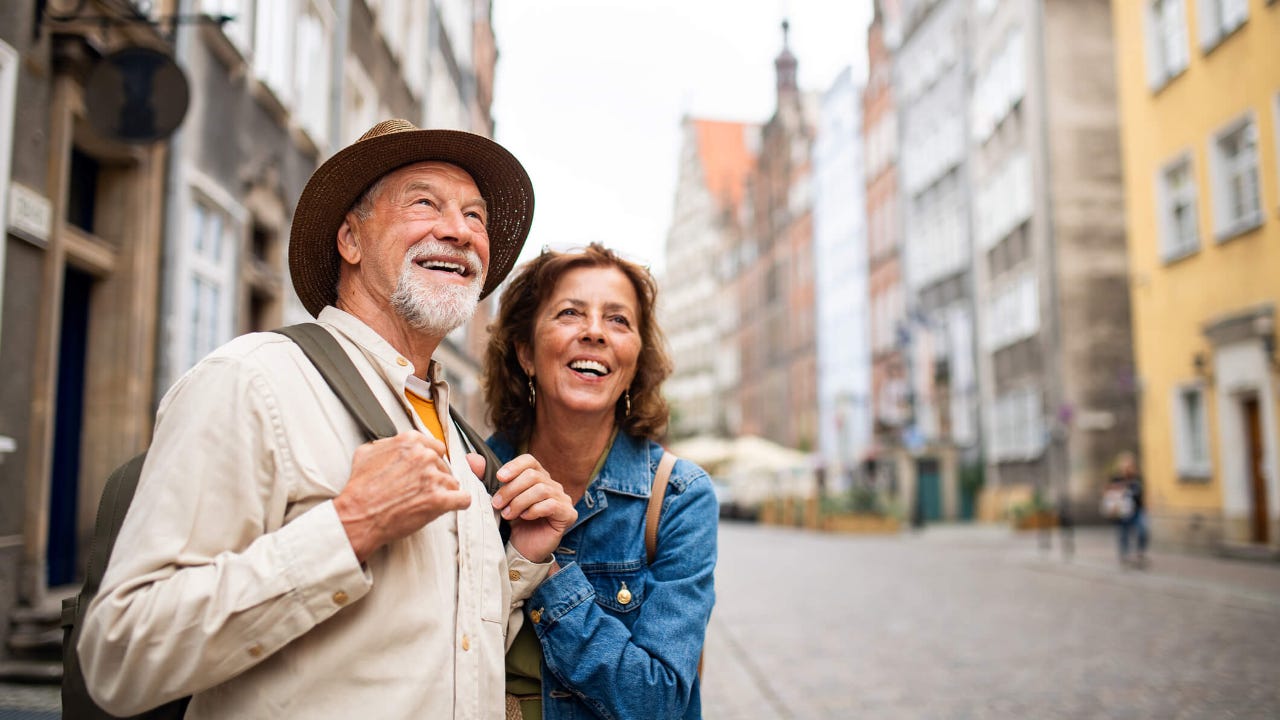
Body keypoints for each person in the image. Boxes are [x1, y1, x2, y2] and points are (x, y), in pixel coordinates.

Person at [78, 119, 578, 718]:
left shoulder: (459, 439)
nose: (459, 231)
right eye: (425, 203)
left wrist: (518, 562)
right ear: (351, 240)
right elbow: (120, 653)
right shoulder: (252, 381)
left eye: (476, 217)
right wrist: (350, 526)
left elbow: (440, 664)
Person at [481, 243, 718, 719]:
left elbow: (660, 702)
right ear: (525, 351)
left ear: (634, 363)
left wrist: (545, 572)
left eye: (618, 320)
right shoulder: (473, 477)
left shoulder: (678, 498)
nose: (594, 332)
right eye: (570, 313)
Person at [1110, 450, 1149, 567]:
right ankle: (1125, 555)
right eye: (1125, 463)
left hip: (1137, 509)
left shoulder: (1137, 478)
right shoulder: (1116, 478)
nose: (1127, 466)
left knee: (1143, 530)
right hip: (1123, 512)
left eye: (1129, 464)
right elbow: (1109, 493)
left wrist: (1146, 505)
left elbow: (1143, 492)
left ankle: (1139, 553)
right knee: (1124, 533)